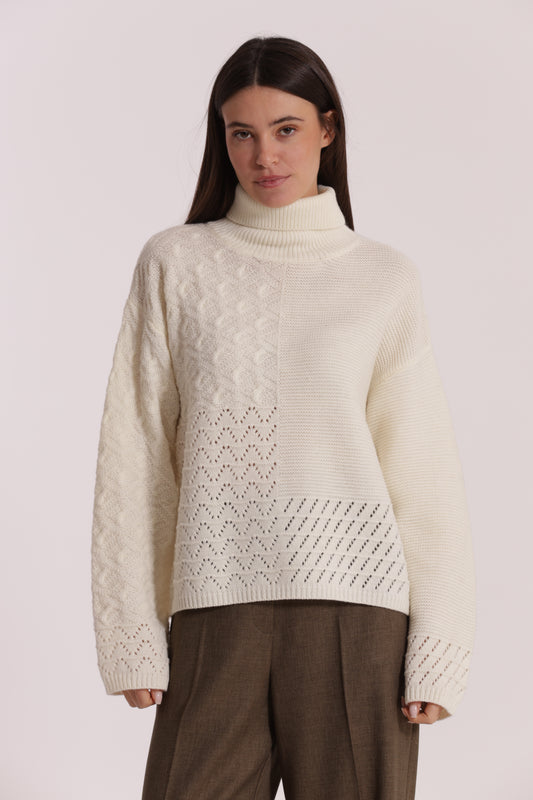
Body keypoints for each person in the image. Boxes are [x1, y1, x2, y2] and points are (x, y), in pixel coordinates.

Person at [90, 35, 476, 800]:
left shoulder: (383, 278)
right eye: (242, 133)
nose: (264, 155)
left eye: (286, 129)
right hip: (214, 606)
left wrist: (439, 646)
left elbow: (421, 471)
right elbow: (136, 452)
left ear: (327, 130)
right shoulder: (175, 263)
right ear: (222, 139)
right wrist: (130, 629)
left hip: (358, 617)